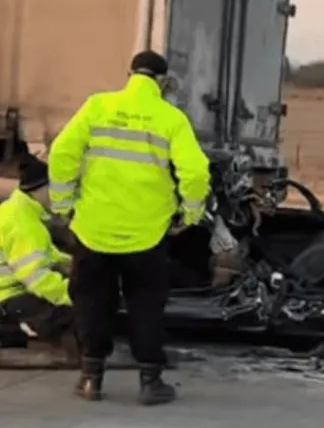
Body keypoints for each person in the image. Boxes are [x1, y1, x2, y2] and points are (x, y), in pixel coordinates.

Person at [48, 50, 210, 404]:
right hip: (146, 233)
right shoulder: (171, 118)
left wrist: (63, 206)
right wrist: (191, 213)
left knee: (92, 301)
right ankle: (150, 382)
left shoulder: (97, 107)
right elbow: (196, 173)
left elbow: (61, 154)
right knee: (146, 305)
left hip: (93, 228)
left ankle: (91, 379)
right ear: (163, 81)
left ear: (129, 74)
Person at [0, 154, 78, 361]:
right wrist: (73, 295)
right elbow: (37, 277)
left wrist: (74, 266)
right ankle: (19, 327)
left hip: (14, 288)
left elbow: (46, 254)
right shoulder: (22, 223)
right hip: (9, 295)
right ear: (42, 190)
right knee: (74, 320)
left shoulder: (24, 211)